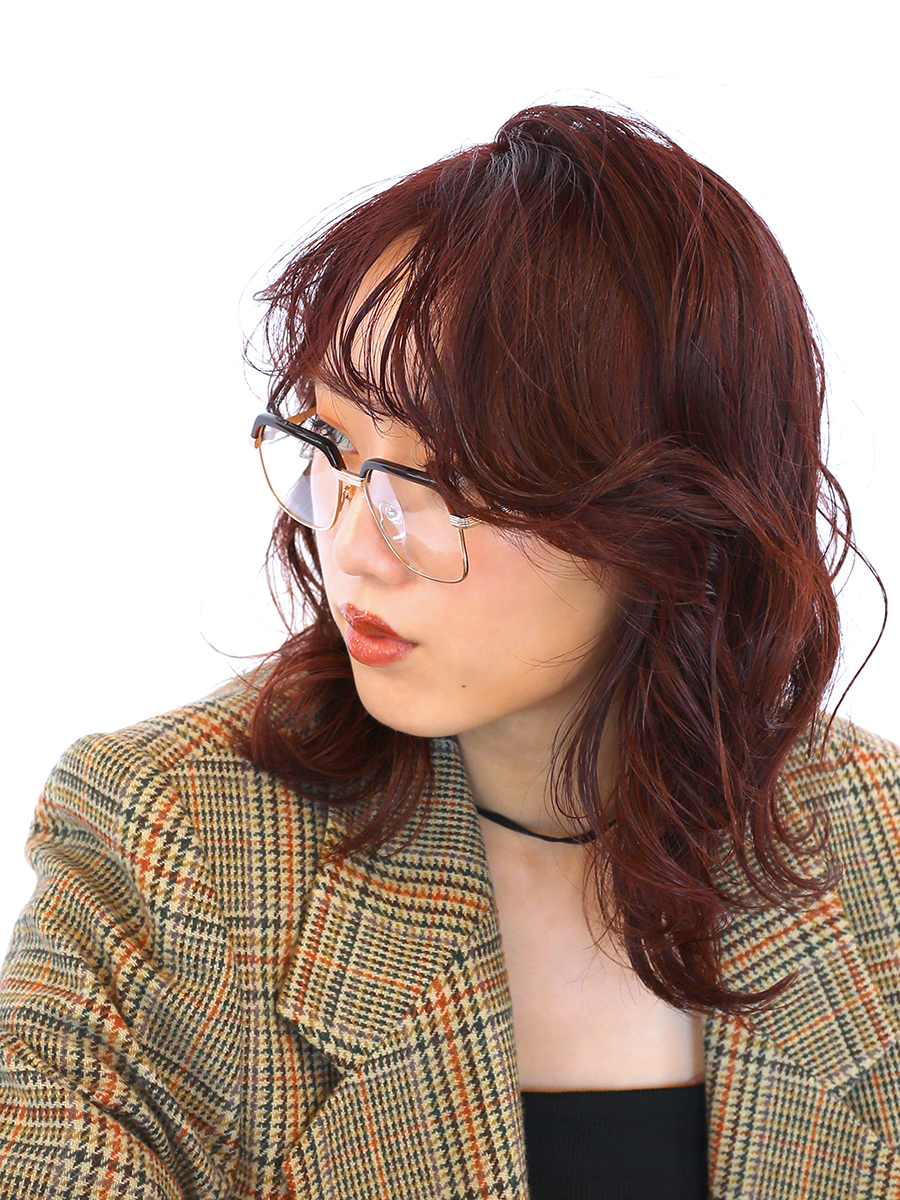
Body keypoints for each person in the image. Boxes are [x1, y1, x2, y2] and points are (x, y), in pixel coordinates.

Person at [0, 103, 897, 1200]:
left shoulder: (882, 850)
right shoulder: (172, 845)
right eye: (333, 444)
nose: (353, 548)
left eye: (450, 480)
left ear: (674, 511)